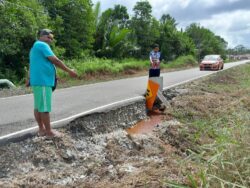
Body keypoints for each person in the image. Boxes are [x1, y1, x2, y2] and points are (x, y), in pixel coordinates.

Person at [27, 29, 78, 137]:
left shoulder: (34, 47)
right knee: (44, 108)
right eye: (48, 37)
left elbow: (33, 65)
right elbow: (55, 60)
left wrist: (29, 78)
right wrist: (70, 71)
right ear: (41, 36)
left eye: (51, 38)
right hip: (43, 82)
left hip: (37, 81)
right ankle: (49, 132)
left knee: (38, 107)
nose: (50, 40)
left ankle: (42, 129)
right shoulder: (42, 45)